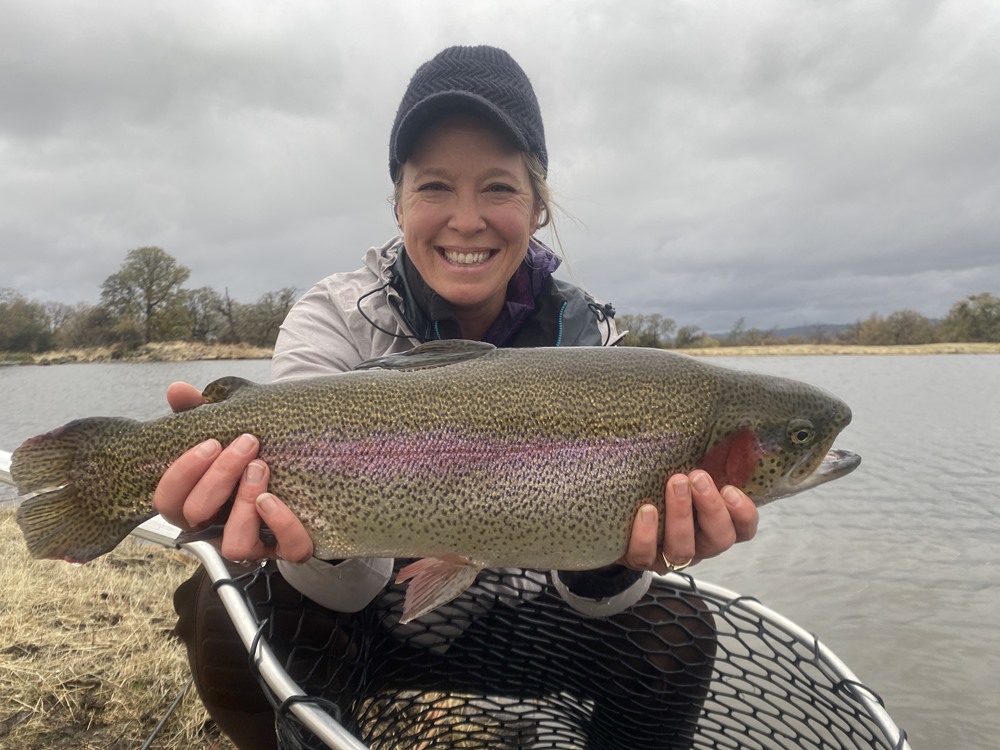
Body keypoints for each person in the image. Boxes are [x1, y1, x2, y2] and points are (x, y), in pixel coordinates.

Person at [154, 45, 759, 749]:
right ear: (400, 202)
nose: (465, 219)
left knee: (676, 634)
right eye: (434, 186)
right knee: (217, 609)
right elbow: (340, 587)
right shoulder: (333, 321)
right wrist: (298, 528)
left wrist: (620, 559)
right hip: (354, 618)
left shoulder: (595, 345)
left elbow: (599, 603)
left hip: (523, 621)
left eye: (498, 188)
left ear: (538, 207)